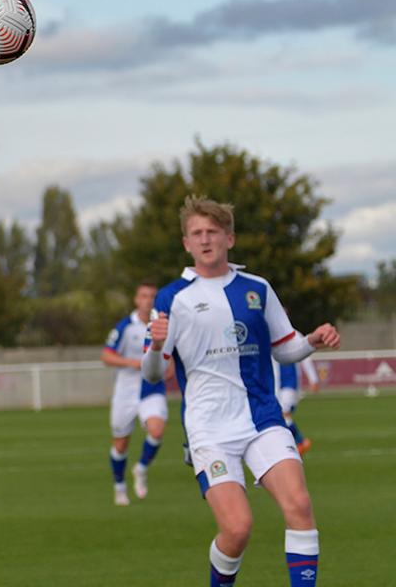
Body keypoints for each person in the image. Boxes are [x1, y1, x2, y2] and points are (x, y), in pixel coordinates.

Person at [143, 195, 339, 587]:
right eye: (196, 233)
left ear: (229, 238)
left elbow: (285, 350)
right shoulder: (171, 299)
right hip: (209, 430)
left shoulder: (258, 289)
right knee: (237, 529)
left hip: (262, 418)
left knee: (299, 505)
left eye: (212, 231)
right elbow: (152, 375)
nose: (205, 239)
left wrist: (313, 341)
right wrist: (156, 344)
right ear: (186, 243)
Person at [100, 282, 167, 506]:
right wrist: (131, 362)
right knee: (120, 444)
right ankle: (119, 486)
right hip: (125, 393)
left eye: (152, 296)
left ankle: (141, 468)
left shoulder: (163, 325)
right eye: (144, 296)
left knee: (157, 431)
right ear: (136, 300)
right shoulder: (125, 327)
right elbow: (106, 356)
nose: (148, 300)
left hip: (151, 390)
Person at [273, 354, 320, 455]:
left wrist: (313, 379)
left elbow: (305, 357)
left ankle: (300, 441)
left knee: (284, 413)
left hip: (290, 384)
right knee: (277, 416)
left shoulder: (292, 338)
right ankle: (293, 442)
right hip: (275, 386)